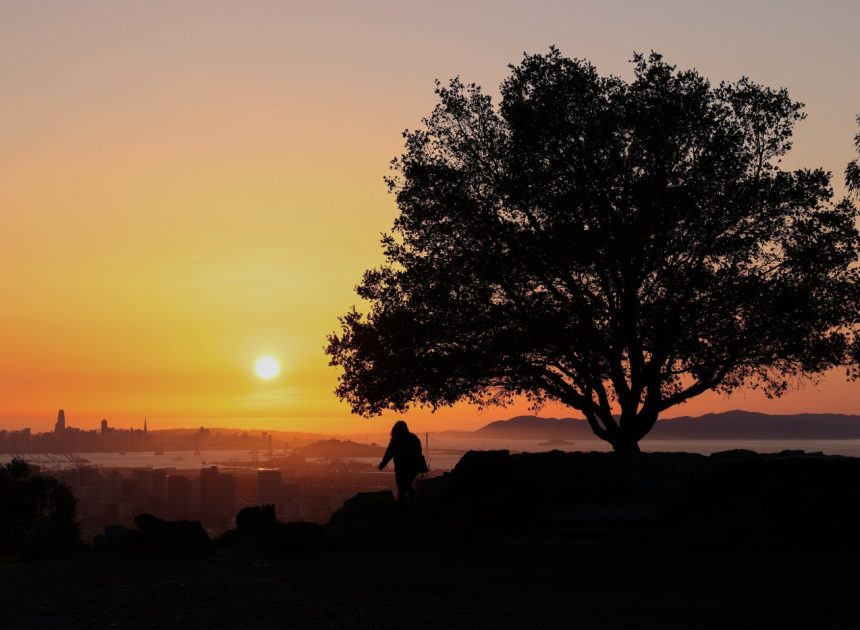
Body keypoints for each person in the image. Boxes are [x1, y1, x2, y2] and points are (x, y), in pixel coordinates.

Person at [378, 420, 426, 503]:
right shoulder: (414, 438)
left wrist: (382, 465)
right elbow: (419, 452)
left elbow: (389, 453)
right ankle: (413, 502)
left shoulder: (396, 440)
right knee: (406, 485)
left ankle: (405, 507)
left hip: (401, 468)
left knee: (402, 487)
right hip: (414, 467)